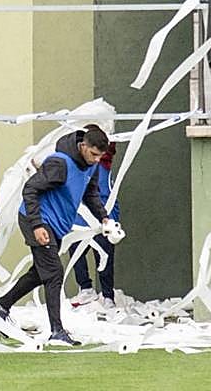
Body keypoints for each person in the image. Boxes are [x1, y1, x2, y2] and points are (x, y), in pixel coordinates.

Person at [0, 126, 113, 347]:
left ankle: (0, 306)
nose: (96, 160)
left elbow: (90, 194)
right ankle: (57, 330)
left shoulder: (90, 167)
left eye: (100, 156)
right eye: (93, 154)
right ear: (83, 146)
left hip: (54, 227)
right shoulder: (59, 163)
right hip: (35, 220)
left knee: (41, 272)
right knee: (55, 272)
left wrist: (104, 218)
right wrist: (37, 225)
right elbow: (30, 189)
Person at [70, 128, 120, 308]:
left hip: (102, 219)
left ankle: (107, 295)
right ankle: (86, 289)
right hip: (81, 219)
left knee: (104, 255)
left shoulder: (102, 166)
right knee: (76, 252)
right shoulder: (81, 165)